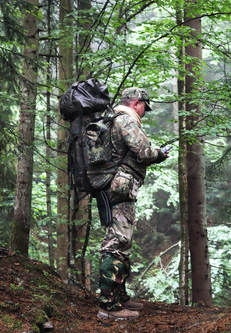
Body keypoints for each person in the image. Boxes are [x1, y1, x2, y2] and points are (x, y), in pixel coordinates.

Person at [96, 87, 169, 320]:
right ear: (136, 103)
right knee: (116, 243)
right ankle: (108, 307)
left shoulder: (110, 119)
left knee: (122, 241)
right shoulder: (126, 120)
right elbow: (143, 152)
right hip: (120, 187)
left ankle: (120, 297)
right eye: (144, 107)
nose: (145, 112)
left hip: (114, 186)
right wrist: (159, 153)